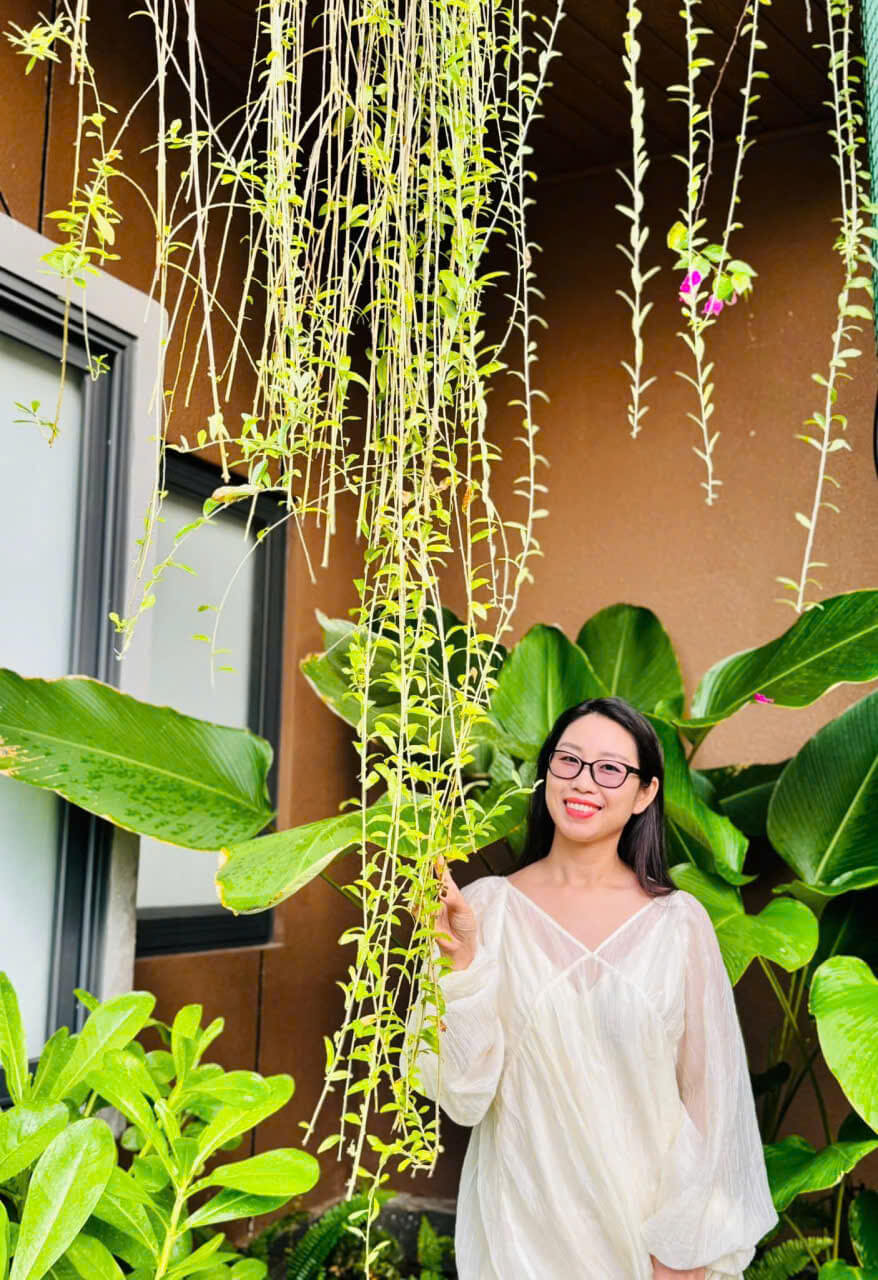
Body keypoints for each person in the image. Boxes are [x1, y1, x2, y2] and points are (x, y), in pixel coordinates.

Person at [407, 696, 778, 1280]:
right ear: (547, 772)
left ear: (645, 793)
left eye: (610, 769)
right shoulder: (483, 912)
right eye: (569, 760)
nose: (584, 782)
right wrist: (463, 970)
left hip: (650, 1243)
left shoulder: (679, 924)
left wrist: (683, 1250)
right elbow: (461, 1095)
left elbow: (712, 1102)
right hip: (523, 1240)